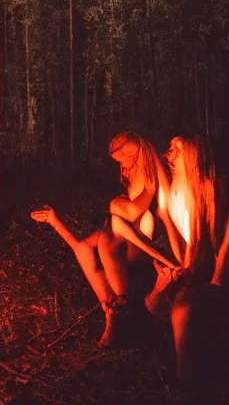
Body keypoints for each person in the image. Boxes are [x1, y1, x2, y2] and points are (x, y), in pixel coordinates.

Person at [31, 131, 169, 346]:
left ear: (135, 155)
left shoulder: (148, 177)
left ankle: (123, 312)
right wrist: (55, 222)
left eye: (125, 161)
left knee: (107, 239)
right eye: (120, 163)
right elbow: (80, 248)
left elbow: (134, 211)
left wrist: (117, 204)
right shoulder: (131, 184)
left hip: (146, 241)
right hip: (126, 231)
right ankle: (113, 312)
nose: (124, 168)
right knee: (85, 248)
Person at [144, 134, 225, 380]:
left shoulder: (209, 190)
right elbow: (187, 241)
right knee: (157, 297)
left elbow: (212, 248)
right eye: (170, 149)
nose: (171, 155)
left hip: (218, 271)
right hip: (198, 265)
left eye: (177, 150)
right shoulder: (180, 191)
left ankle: (186, 380)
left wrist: (190, 273)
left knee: (181, 304)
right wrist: (182, 269)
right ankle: (155, 356)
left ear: (193, 154)